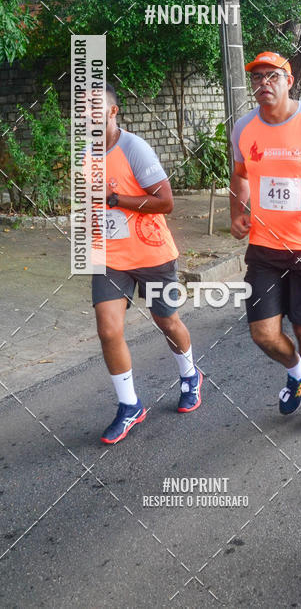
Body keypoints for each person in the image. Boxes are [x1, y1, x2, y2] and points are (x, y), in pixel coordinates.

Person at [230, 52, 301, 432]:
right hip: (264, 246)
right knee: (262, 333)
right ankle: (297, 374)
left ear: (289, 80)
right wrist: (238, 211)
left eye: (272, 77)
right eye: (258, 77)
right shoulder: (245, 127)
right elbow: (241, 175)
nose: (264, 83)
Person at [92, 84, 201, 445]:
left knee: (166, 320)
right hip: (111, 258)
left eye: (96, 107)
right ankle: (129, 406)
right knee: (108, 330)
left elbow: (165, 201)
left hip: (152, 254)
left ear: (113, 112)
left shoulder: (133, 147)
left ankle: (189, 375)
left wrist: (117, 198)